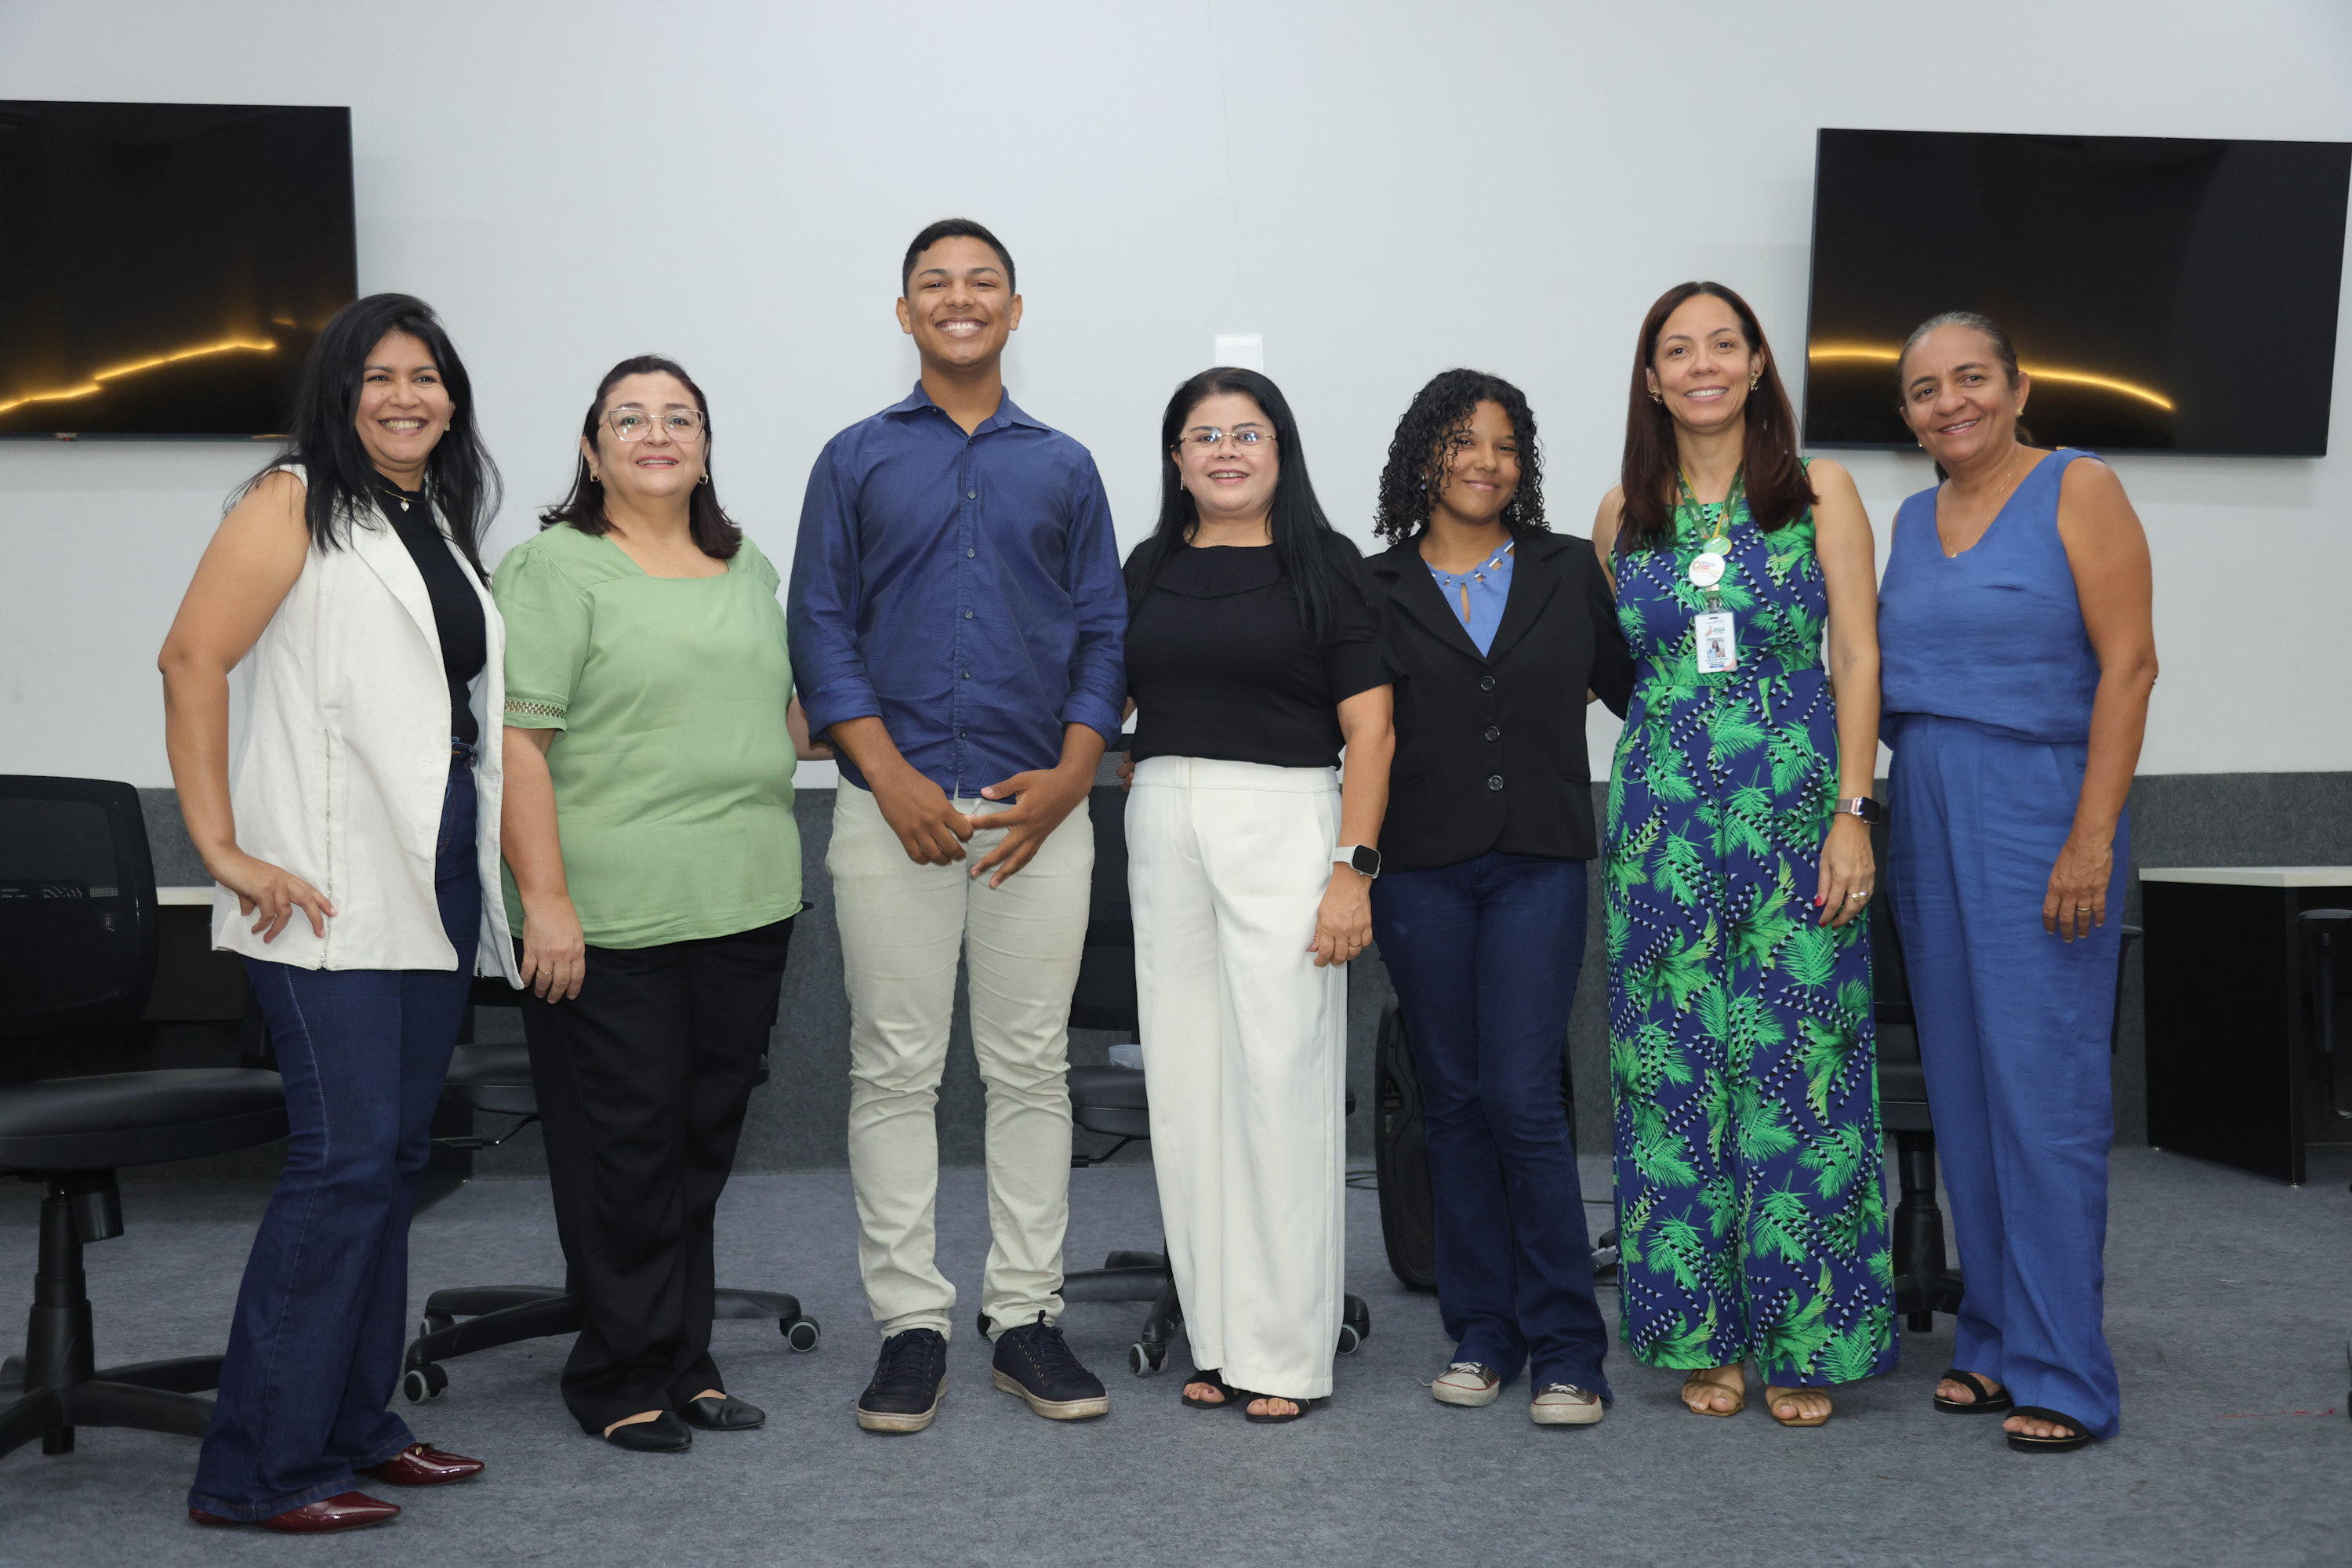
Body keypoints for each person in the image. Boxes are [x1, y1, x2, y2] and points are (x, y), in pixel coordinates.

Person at [161, 293, 504, 1531]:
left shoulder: (431, 520)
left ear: (452, 397)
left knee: (397, 1165)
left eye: (427, 376)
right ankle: (257, 1469)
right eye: (379, 376)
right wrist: (218, 847)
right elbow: (192, 658)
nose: (406, 395)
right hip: (323, 885)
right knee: (343, 1162)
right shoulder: (292, 498)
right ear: (340, 393)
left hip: (435, 876)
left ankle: (360, 1426)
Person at [786, 219, 1123, 1432]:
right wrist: (884, 772)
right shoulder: (853, 459)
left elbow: (1103, 633)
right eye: (936, 283)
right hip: (896, 812)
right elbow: (819, 625)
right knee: (894, 1072)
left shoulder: (1067, 465)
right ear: (904, 312)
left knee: (1034, 1072)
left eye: (983, 282)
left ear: (1016, 312)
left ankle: (1025, 1319)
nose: (960, 299)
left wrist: (1076, 770)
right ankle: (911, 1328)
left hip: (1042, 809)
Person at [495, 355, 812, 1453]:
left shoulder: (745, 565)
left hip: (745, 898)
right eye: (629, 418)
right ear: (592, 451)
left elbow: (783, 721)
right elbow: (518, 748)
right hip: (606, 908)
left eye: (680, 416)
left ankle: (685, 1359)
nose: (656, 432)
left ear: (707, 445)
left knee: (698, 1144)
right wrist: (546, 903)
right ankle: (618, 1373)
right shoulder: (553, 567)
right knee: (622, 1149)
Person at [1591, 281, 1893, 1427]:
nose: (1704, 364)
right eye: (1679, 349)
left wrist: (1853, 810)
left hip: (1800, 811)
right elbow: (1629, 671)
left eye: (1726, 343)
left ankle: (1806, 1339)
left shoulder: (1823, 493)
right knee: (1674, 1079)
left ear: (1760, 364)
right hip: (1666, 823)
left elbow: (1858, 658)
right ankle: (1702, 1338)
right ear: (1653, 377)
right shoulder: (1626, 510)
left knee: (1800, 1074)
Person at [1880, 311, 2157, 1454]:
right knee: (1963, 1089)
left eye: (1972, 379)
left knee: (2043, 1098)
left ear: (2017, 383)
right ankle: (1990, 1340)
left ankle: (2064, 1368)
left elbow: (2131, 663)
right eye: (1925, 389)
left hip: (2044, 806)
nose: (1951, 403)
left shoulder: (2078, 486)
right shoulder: (1907, 515)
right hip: (1926, 798)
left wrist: (2092, 837)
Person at [1120, 368, 1394, 1424]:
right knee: (1189, 1096)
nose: (1225, 450)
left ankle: (1285, 1352)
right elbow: (1117, 700)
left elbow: (1371, 730)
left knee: (1280, 1086)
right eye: (1203, 435)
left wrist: (1351, 867)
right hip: (1163, 826)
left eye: (1247, 432)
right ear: (1176, 459)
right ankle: (1221, 1335)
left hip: (1286, 823)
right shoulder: (1146, 567)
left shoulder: (1327, 566)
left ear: (1280, 450)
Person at [1363, 369, 1632, 1426]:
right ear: (1422, 456)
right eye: (1462, 442)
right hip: (1419, 869)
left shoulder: (1570, 570)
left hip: (1537, 862)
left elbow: (1638, 689)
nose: (1486, 461)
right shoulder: (1373, 585)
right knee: (1454, 1098)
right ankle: (1482, 1332)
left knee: (1523, 1098)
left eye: (1506, 445)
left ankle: (1570, 1345)